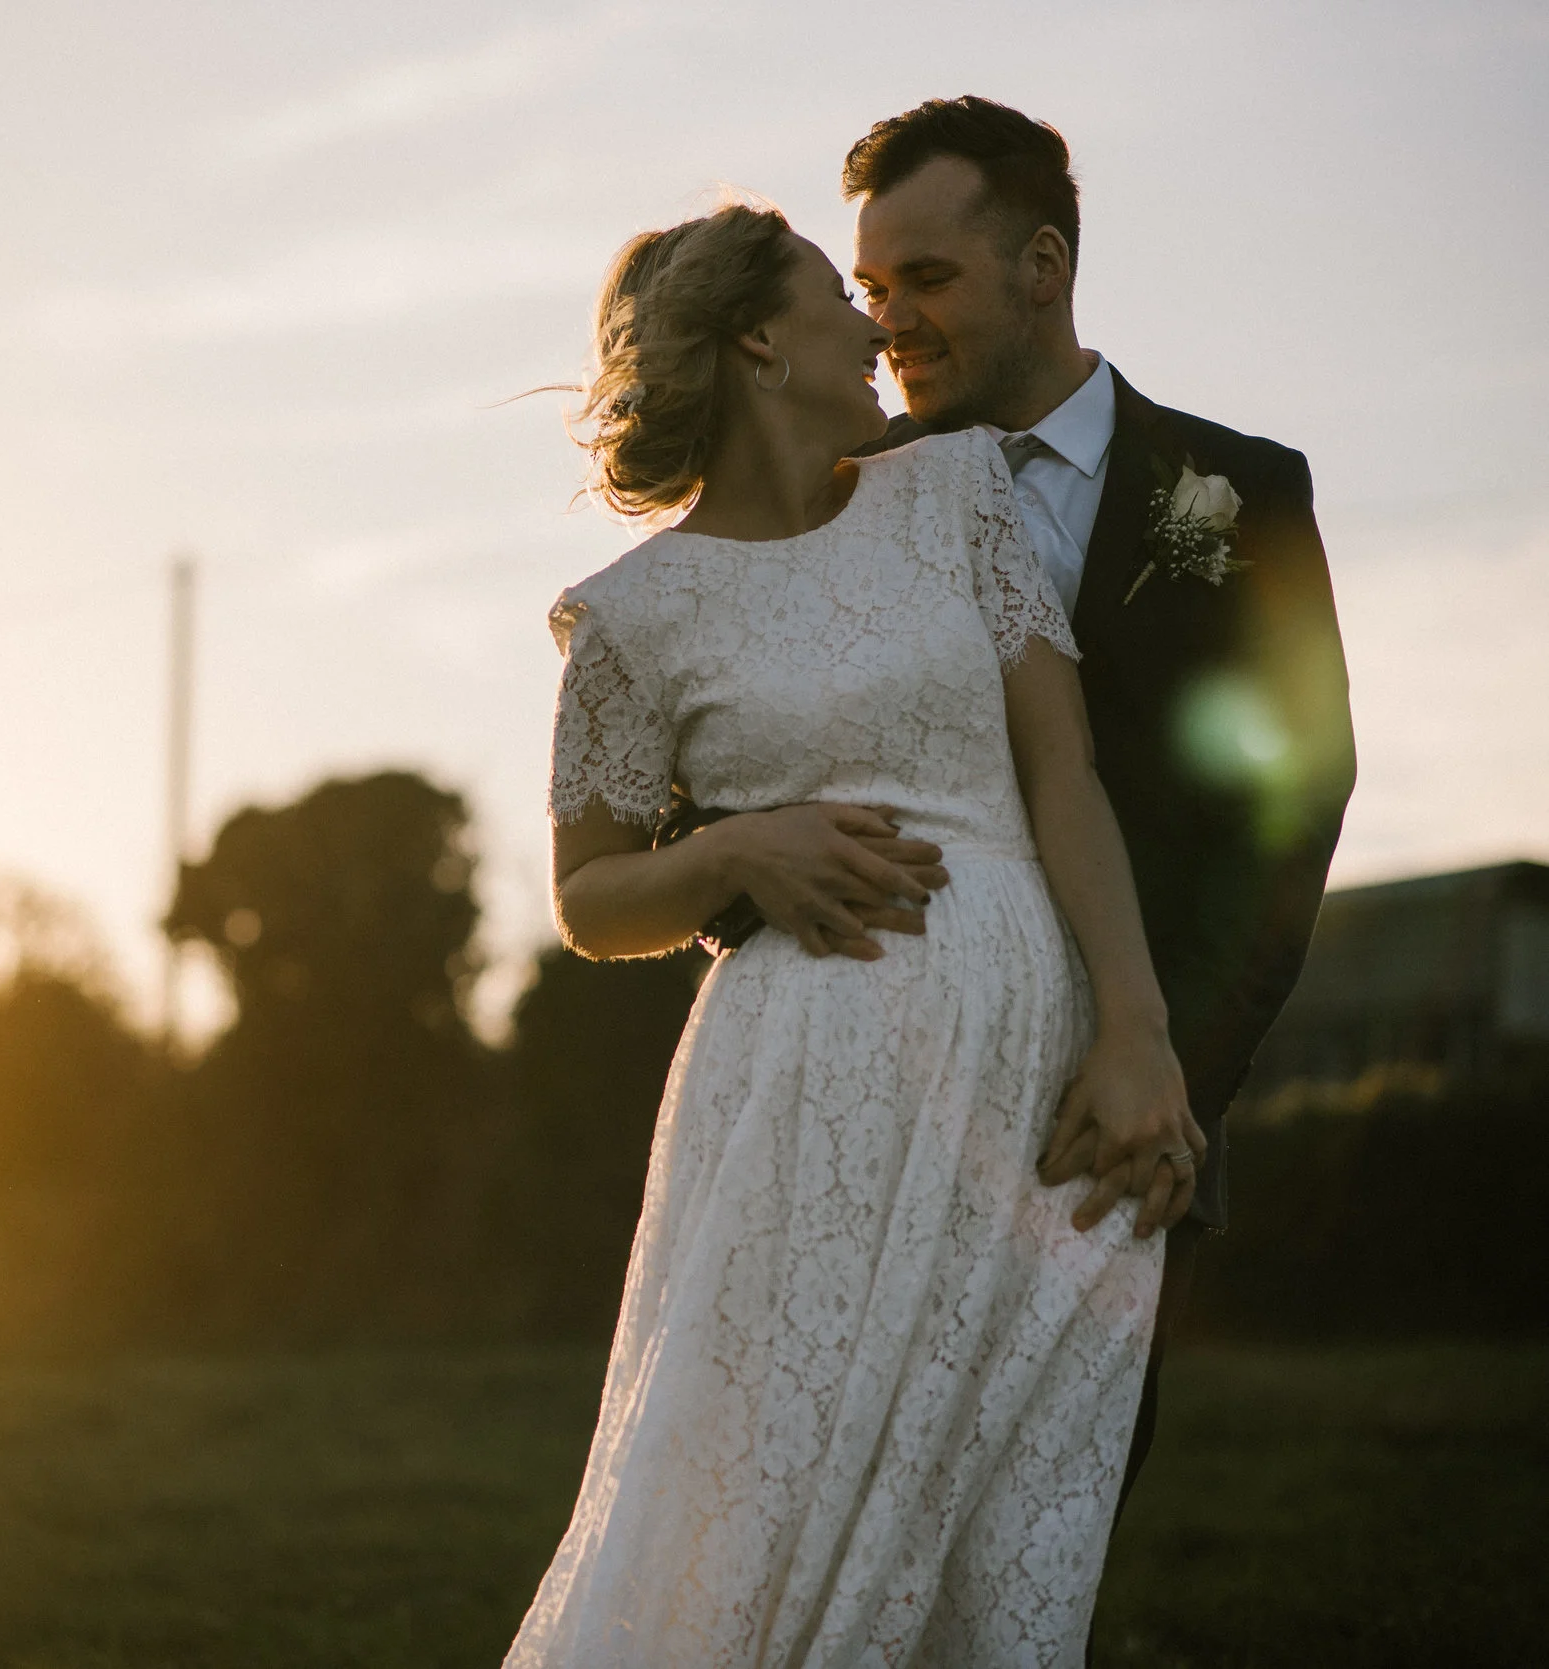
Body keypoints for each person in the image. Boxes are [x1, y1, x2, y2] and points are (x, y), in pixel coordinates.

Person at [504, 192, 1203, 1666]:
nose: (873, 319)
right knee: (767, 1508)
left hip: (1035, 1060)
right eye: (838, 290)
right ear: (762, 335)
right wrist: (733, 849)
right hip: (807, 1098)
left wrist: (1135, 1029)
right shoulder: (635, 617)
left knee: (1016, 1534)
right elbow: (587, 899)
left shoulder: (953, 496)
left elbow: (1060, 771)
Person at [816, 97, 1353, 1530]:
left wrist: (1169, 1072)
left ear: (1044, 263)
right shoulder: (838, 499)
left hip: (1122, 1135)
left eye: (926, 280)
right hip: (884, 1102)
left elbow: (1292, 804)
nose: (890, 325)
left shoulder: (1236, 495)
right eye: (871, 290)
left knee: (1050, 1553)